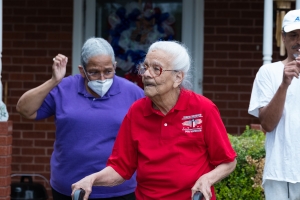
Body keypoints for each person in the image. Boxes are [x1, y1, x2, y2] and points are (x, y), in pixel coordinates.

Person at [71, 40, 237, 200]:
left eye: (156, 69)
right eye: (145, 67)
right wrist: (91, 179)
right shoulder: (136, 112)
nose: (146, 74)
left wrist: (207, 179)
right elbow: (120, 169)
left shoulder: (203, 109)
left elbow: (228, 162)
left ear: (178, 78)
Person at [16, 37, 144, 200]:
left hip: (119, 190)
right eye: (94, 72)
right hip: (69, 190)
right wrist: (54, 81)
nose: (103, 78)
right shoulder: (63, 88)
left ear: (115, 67)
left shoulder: (133, 93)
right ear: (82, 71)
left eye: (108, 71)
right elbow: (24, 110)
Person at [248, 9, 300, 200]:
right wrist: (284, 84)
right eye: (293, 35)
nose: (298, 41)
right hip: (280, 173)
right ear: (283, 38)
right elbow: (267, 124)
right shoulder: (268, 72)